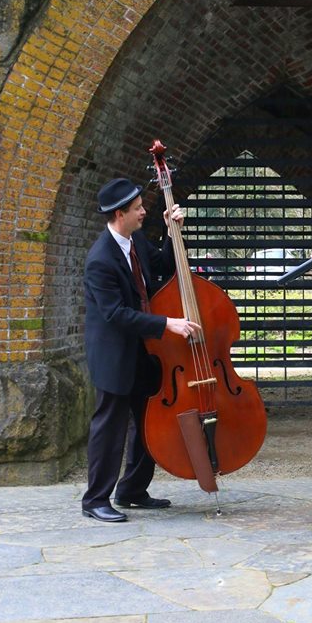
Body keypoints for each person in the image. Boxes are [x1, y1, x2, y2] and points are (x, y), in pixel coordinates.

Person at [82, 178, 201, 523]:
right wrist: (167, 324)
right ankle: (95, 499)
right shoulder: (100, 260)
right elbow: (116, 314)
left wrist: (173, 233)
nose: (144, 212)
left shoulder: (136, 241)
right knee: (110, 428)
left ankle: (132, 489)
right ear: (120, 214)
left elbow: (164, 267)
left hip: (146, 351)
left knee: (149, 421)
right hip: (115, 355)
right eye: (137, 208)